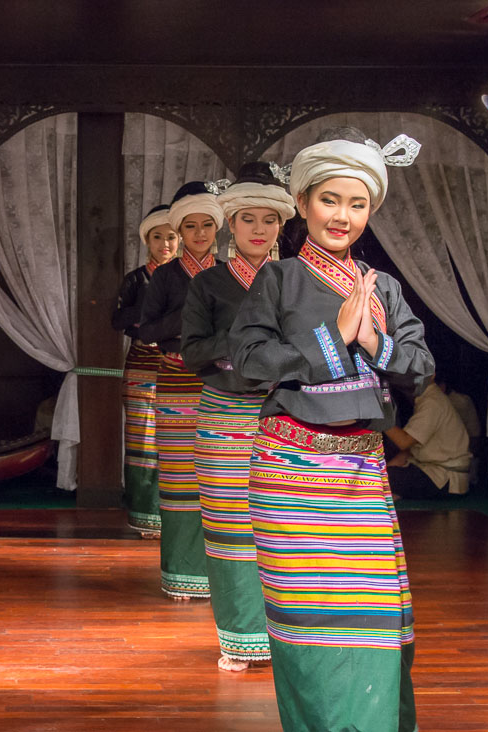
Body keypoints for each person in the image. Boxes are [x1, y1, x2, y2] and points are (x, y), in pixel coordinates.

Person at [230, 126, 431, 731]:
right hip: (291, 470)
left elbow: (419, 369)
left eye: (358, 203)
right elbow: (248, 362)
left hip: (362, 472)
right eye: (329, 200)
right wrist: (333, 338)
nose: (342, 216)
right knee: (310, 624)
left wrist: (375, 339)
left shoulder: (385, 290)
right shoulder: (278, 279)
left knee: (375, 622)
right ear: (303, 203)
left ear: (371, 211)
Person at [182, 161, 294, 671]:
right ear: (232, 222)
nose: (258, 229)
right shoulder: (209, 284)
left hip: (286, 412)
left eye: (268, 220)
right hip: (225, 414)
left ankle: (290, 636)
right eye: (248, 219)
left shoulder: (296, 278)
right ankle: (242, 638)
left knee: (286, 529)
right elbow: (191, 352)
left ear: (281, 225)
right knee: (231, 529)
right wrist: (246, 342)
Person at [139, 180, 225, 600]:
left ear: (217, 228)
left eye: (207, 225)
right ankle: (182, 575)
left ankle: (223, 576)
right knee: (180, 482)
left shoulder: (230, 272)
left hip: (223, 382)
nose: (199, 234)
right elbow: (146, 331)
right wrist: (188, 310)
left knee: (223, 481)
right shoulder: (167, 277)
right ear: (179, 229)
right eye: (190, 226)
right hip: (175, 380)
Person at [112, 204, 178, 536]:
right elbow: (118, 319)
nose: (165, 244)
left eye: (170, 237)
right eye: (157, 238)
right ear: (147, 241)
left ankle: (181, 516)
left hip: (180, 365)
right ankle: (144, 515)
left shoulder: (192, 277)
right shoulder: (137, 279)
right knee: (143, 441)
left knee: (178, 440)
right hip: (141, 362)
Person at [385, 374, 472, 499]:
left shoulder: (433, 401)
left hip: (445, 477)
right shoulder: (426, 399)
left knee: (376, 479)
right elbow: (409, 449)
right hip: (431, 469)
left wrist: (378, 417)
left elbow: (404, 441)